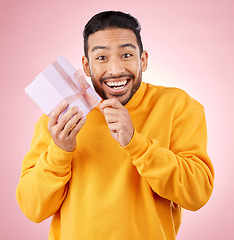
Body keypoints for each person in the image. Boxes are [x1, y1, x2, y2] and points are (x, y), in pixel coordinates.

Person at [16, 11, 214, 240]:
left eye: (127, 54)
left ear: (144, 60)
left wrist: (135, 143)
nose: (115, 70)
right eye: (101, 58)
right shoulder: (59, 119)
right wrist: (60, 151)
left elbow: (197, 194)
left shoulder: (178, 106)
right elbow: (33, 209)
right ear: (86, 66)